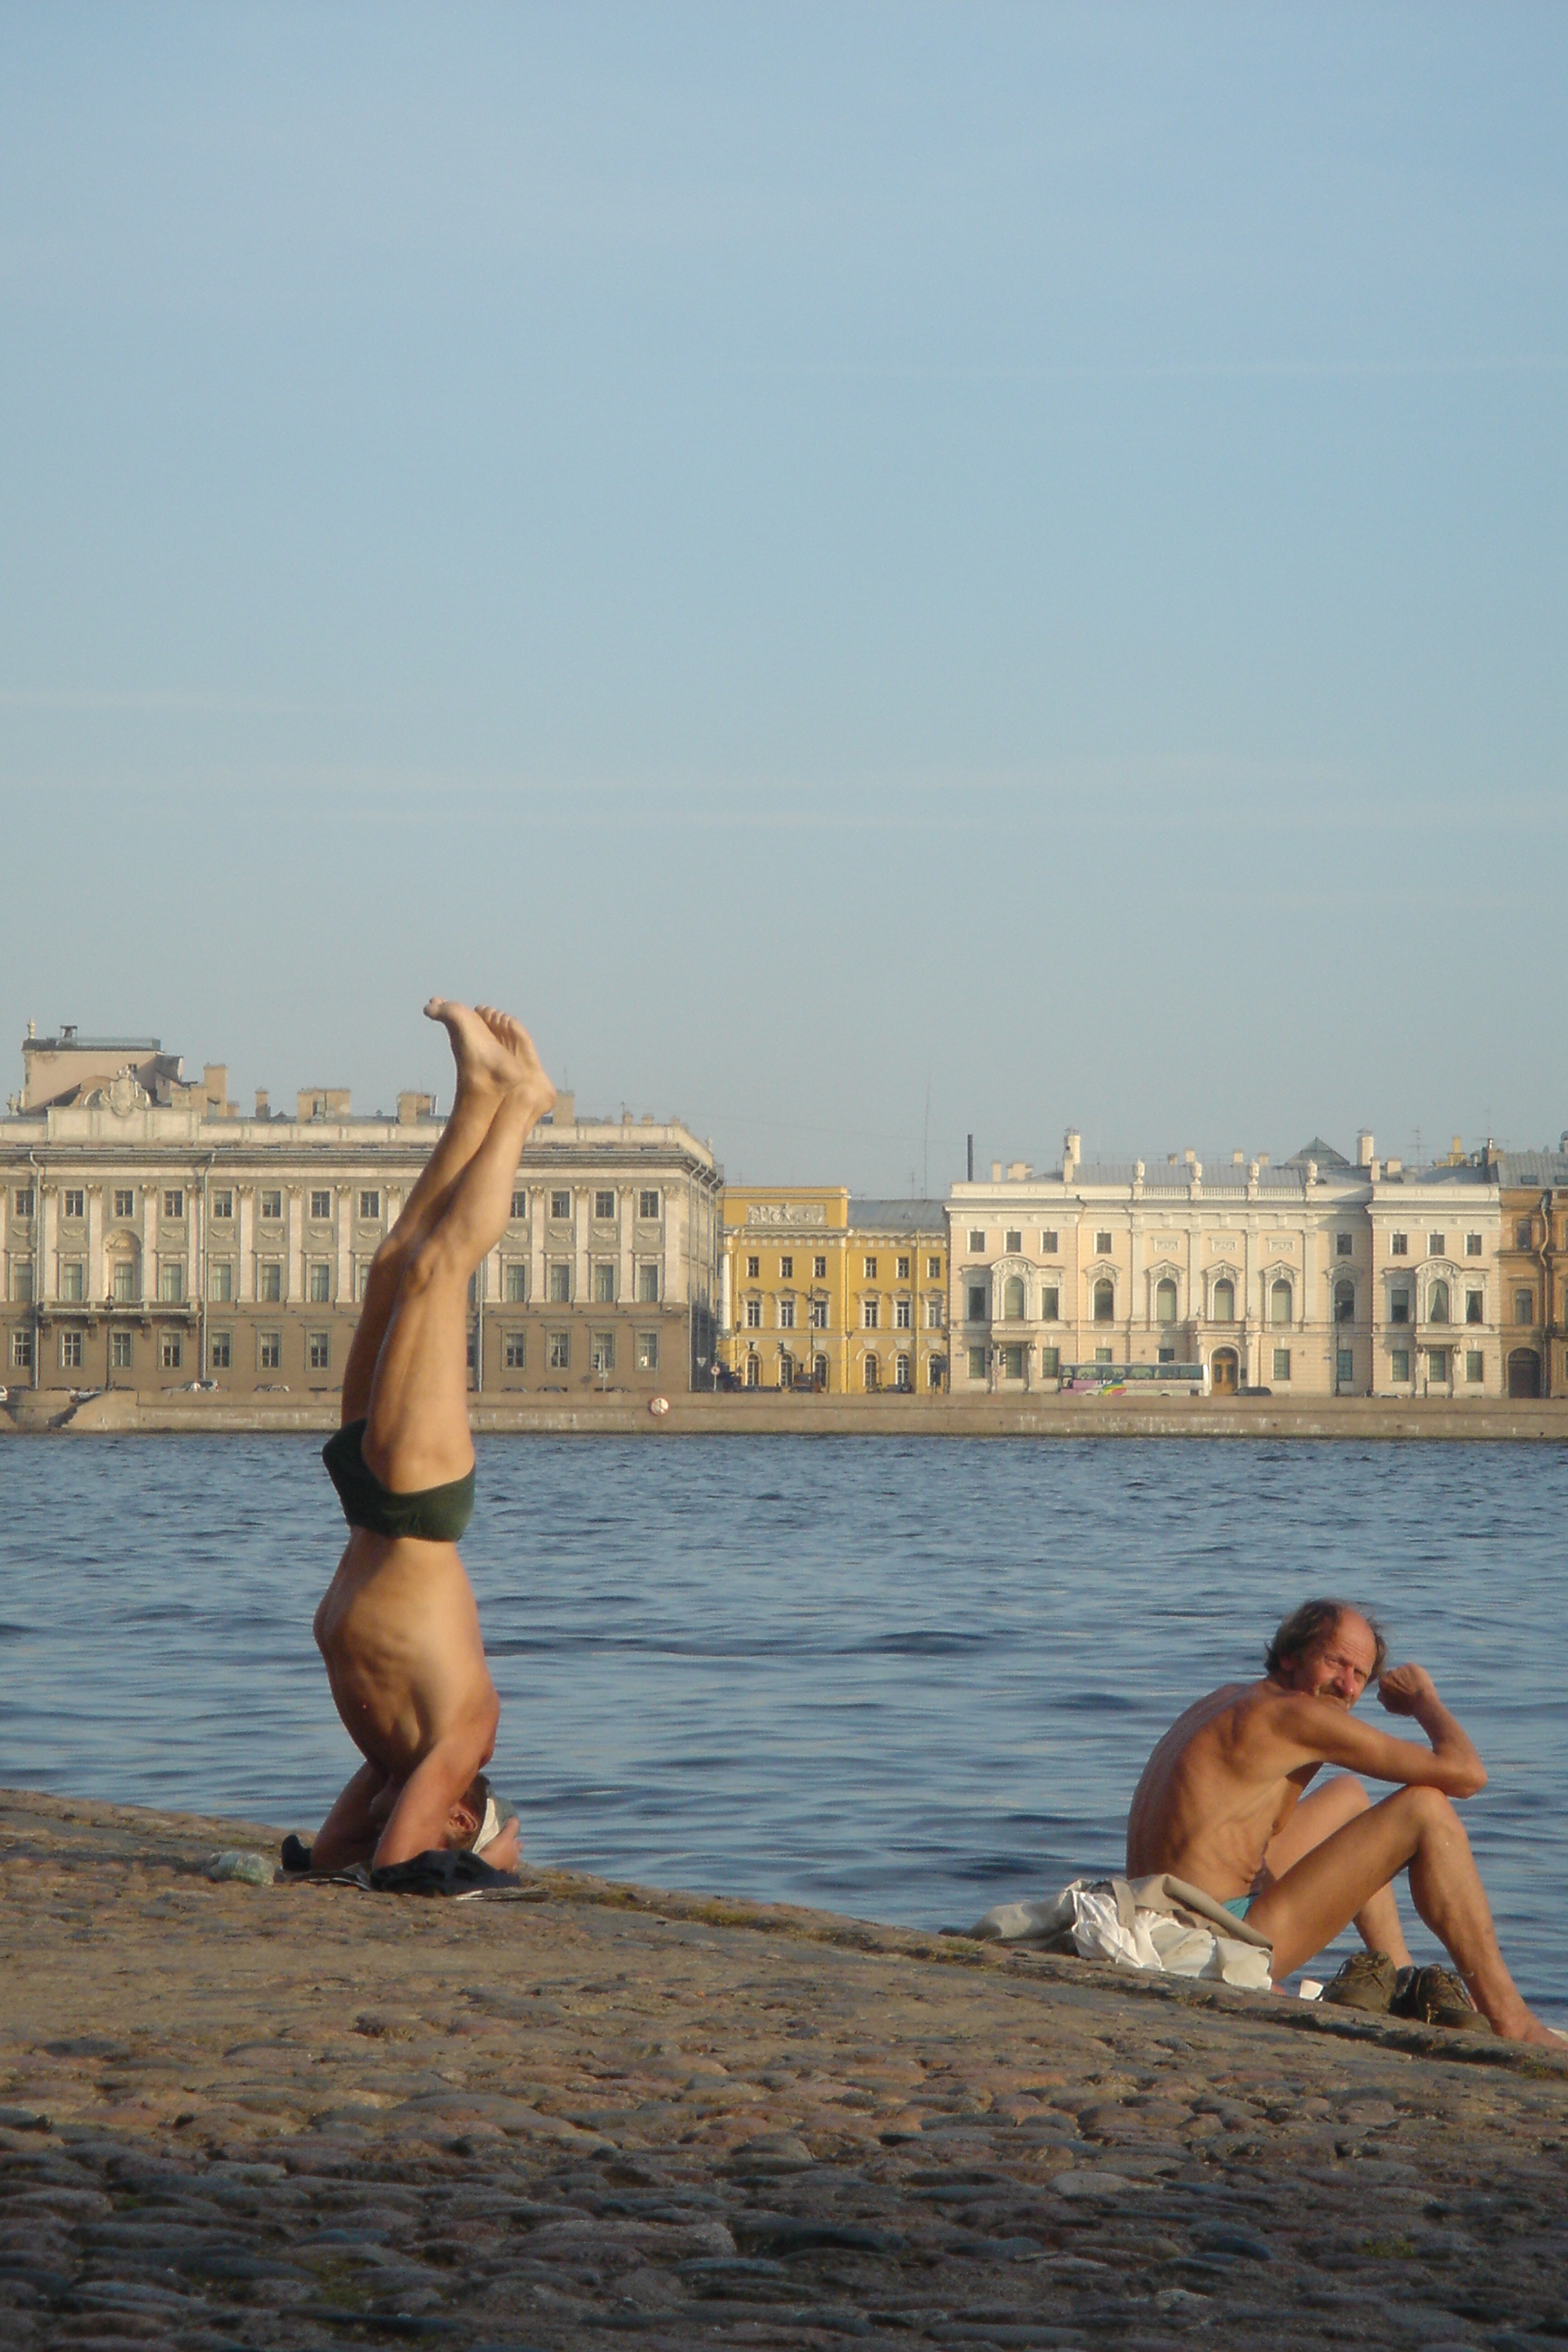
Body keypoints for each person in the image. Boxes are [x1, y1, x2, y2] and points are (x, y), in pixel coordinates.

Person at [304, 1000, 555, 1877]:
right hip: (415, 1502)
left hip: (369, 1503)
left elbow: (337, 1859)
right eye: (451, 1821)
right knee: (439, 1271)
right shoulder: (465, 1741)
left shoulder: (391, 1756)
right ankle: (524, 1104)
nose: (387, 1812)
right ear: (456, 1813)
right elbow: (397, 1867)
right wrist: (495, 1862)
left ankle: (478, 1096)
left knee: (392, 1269)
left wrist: (383, 1818)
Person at [1125, 1597, 1555, 2044]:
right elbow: (1467, 1774)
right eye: (1335, 1662)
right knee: (1424, 1809)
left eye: (1360, 1675)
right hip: (1208, 1937)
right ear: (1291, 1656)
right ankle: (1511, 2019)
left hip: (1154, 1909)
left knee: (1349, 1796)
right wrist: (1424, 1700)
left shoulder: (1233, 1698)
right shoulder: (1297, 1715)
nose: (1347, 1686)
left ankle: (1400, 1974)